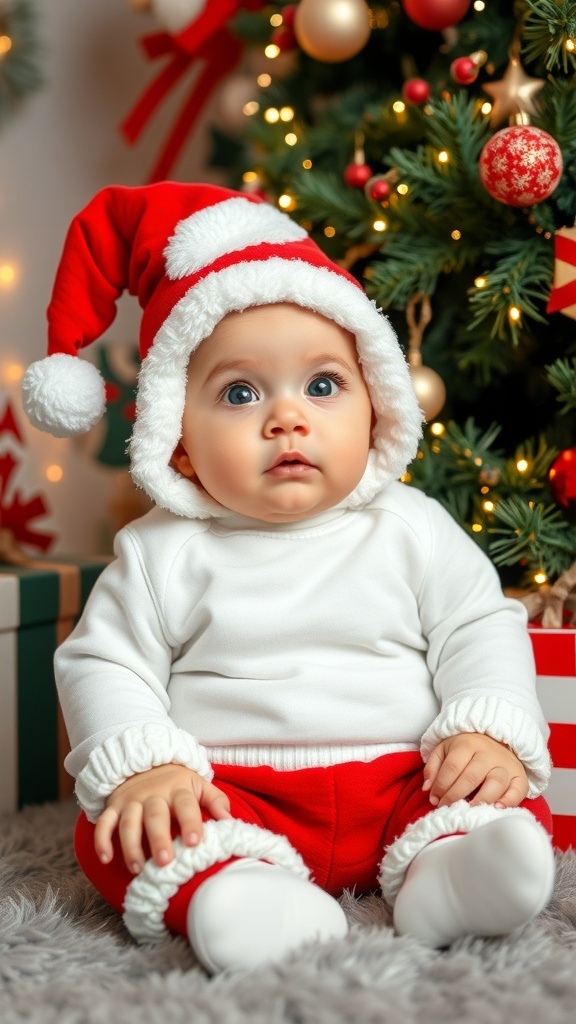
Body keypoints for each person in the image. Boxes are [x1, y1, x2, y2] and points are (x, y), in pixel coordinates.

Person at [22, 183, 555, 974]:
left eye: (323, 385)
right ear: (177, 440)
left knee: (500, 800)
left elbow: (480, 625)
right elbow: (105, 661)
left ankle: (449, 874)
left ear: (375, 403)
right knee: (119, 831)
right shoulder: (162, 550)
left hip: (405, 776)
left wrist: (487, 727)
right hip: (230, 794)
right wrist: (147, 766)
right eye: (240, 393)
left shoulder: (410, 526)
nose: (288, 418)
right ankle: (237, 891)